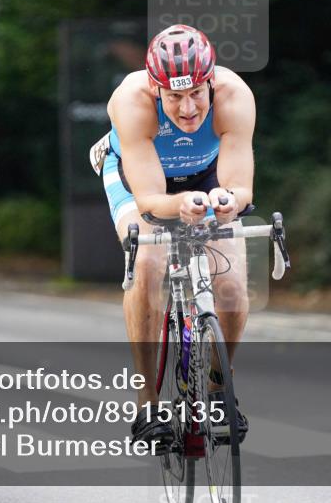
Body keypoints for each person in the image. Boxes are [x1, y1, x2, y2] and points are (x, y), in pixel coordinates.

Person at [95, 24, 255, 449]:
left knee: (233, 286)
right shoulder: (131, 101)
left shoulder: (235, 95)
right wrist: (180, 205)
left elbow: (241, 187)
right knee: (147, 263)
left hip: (205, 174)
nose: (187, 109)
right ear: (155, 88)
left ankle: (220, 388)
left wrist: (227, 200)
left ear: (211, 82)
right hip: (138, 177)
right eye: (174, 97)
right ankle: (148, 401)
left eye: (197, 94)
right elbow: (149, 199)